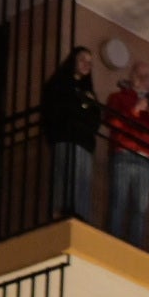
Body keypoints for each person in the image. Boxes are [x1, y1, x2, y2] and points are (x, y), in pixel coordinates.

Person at [105, 59, 149, 248]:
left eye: (147, 76)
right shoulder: (118, 98)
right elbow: (113, 123)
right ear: (132, 77)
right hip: (123, 153)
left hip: (146, 160)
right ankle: (113, 242)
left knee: (140, 208)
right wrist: (135, 109)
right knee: (118, 201)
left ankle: (134, 246)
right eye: (140, 75)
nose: (145, 79)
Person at [41, 47, 103, 222]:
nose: (86, 64)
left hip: (84, 142)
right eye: (83, 59)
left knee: (82, 183)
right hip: (65, 138)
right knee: (65, 178)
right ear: (73, 60)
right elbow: (55, 110)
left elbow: (96, 118)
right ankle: (60, 215)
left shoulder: (88, 92)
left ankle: (80, 218)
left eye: (90, 62)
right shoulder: (59, 83)